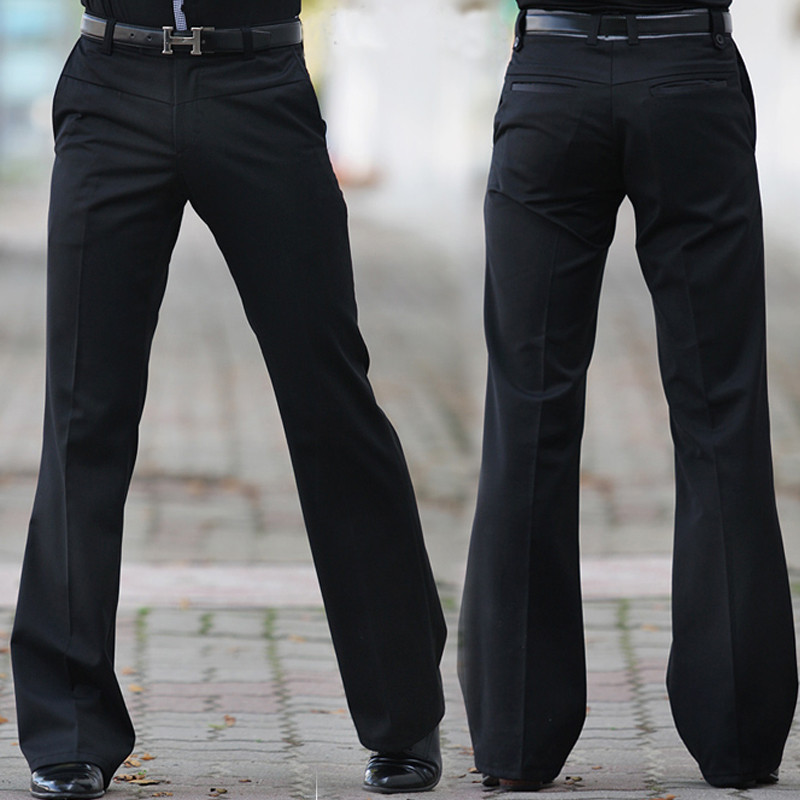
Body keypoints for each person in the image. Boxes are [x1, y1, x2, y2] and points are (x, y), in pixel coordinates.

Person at [10, 2, 445, 797]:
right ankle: (67, 730)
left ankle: (403, 711)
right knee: (83, 413)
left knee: (329, 400)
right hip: (113, 79)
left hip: (258, 81)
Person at [458, 1, 797, 792]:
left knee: (528, 413)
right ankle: (739, 736)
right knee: (720, 410)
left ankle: (515, 737)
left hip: (553, 71)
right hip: (689, 68)